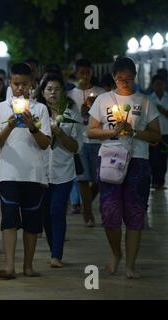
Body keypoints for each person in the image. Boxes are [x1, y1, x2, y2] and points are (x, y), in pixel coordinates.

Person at [87, 56, 160, 279]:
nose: (124, 83)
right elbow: (91, 131)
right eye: (120, 79)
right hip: (110, 158)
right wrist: (112, 132)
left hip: (137, 160)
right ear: (113, 78)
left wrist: (135, 132)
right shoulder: (103, 100)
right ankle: (116, 253)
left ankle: (130, 265)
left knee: (135, 212)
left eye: (128, 79)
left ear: (135, 77)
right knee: (109, 212)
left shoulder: (145, 102)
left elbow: (156, 136)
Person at [0, 63, 51, 279]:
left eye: (25, 84)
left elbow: (45, 143)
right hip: (8, 172)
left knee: (32, 222)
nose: (20, 89)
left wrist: (32, 126)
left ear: (32, 84)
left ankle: (28, 265)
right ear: (10, 83)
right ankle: (9, 267)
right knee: (8, 219)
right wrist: (10, 125)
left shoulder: (40, 109)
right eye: (16, 84)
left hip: (33, 173)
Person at [37, 73, 83, 268]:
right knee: (46, 213)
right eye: (49, 89)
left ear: (63, 91)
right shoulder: (37, 113)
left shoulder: (72, 114)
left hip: (63, 172)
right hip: (41, 171)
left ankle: (57, 255)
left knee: (57, 210)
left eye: (56, 89)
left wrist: (60, 133)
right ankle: (53, 248)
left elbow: (75, 147)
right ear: (42, 92)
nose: (53, 93)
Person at [67, 59, 106, 227]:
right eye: (81, 72)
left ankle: (87, 202)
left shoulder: (101, 93)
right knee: (82, 178)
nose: (85, 76)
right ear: (76, 74)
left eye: (88, 72)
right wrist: (81, 112)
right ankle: (88, 214)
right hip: (80, 141)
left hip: (98, 140)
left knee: (100, 178)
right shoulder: (69, 95)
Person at [148, 74, 168, 189]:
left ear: (165, 85)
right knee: (154, 159)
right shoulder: (149, 99)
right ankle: (155, 181)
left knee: (163, 159)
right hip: (153, 134)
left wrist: (163, 110)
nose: (159, 87)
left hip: (166, 134)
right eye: (157, 84)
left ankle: (161, 182)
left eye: (161, 84)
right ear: (153, 85)